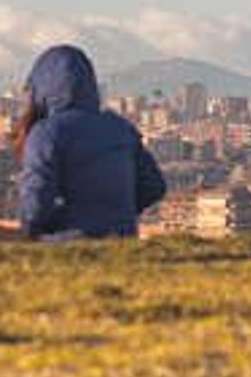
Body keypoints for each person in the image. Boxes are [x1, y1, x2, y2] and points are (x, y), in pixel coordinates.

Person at [15, 44, 166, 240]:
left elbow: (35, 203)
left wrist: (39, 227)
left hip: (66, 244)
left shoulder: (47, 133)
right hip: (122, 242)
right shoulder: (120, 127)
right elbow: (154, 186)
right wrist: (117, 215)